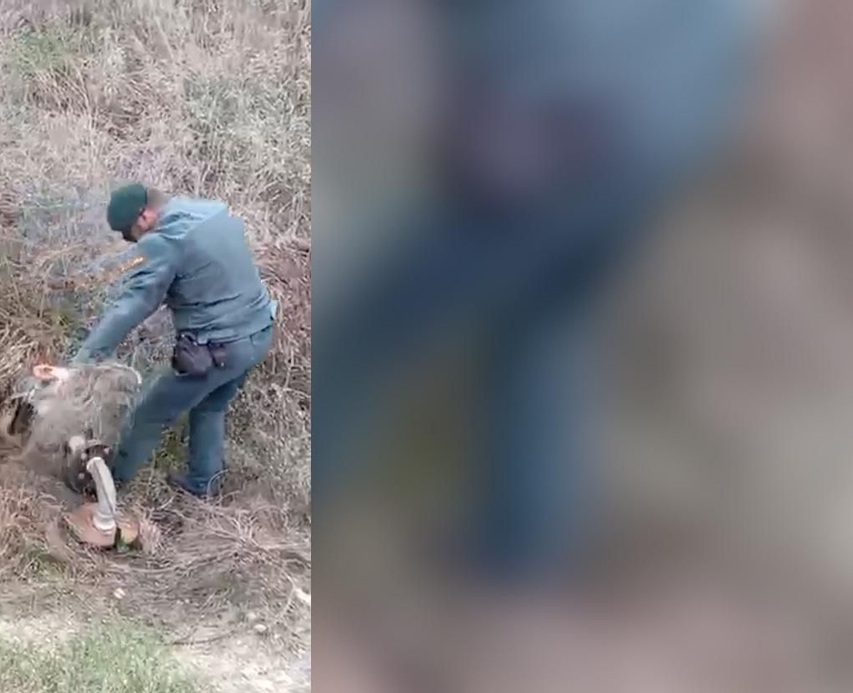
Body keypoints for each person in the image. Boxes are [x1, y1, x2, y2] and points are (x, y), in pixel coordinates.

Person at [314, 0, 768, 584]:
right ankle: (522, 555)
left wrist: (532, 115)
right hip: (668, 122)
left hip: (568, 116)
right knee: (541, 325)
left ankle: (295, 519)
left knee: (367, 331)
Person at [69, 184, 277, 497]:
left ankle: (105, 489)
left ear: (143, 217)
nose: (136, 241)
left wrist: (85, 360)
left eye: (131, 235)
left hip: (220, 349)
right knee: (210, 406)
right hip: (259, 330)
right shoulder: (209, 211)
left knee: (147, 414)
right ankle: (202, 484)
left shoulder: (165, 240)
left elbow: (134, 304)